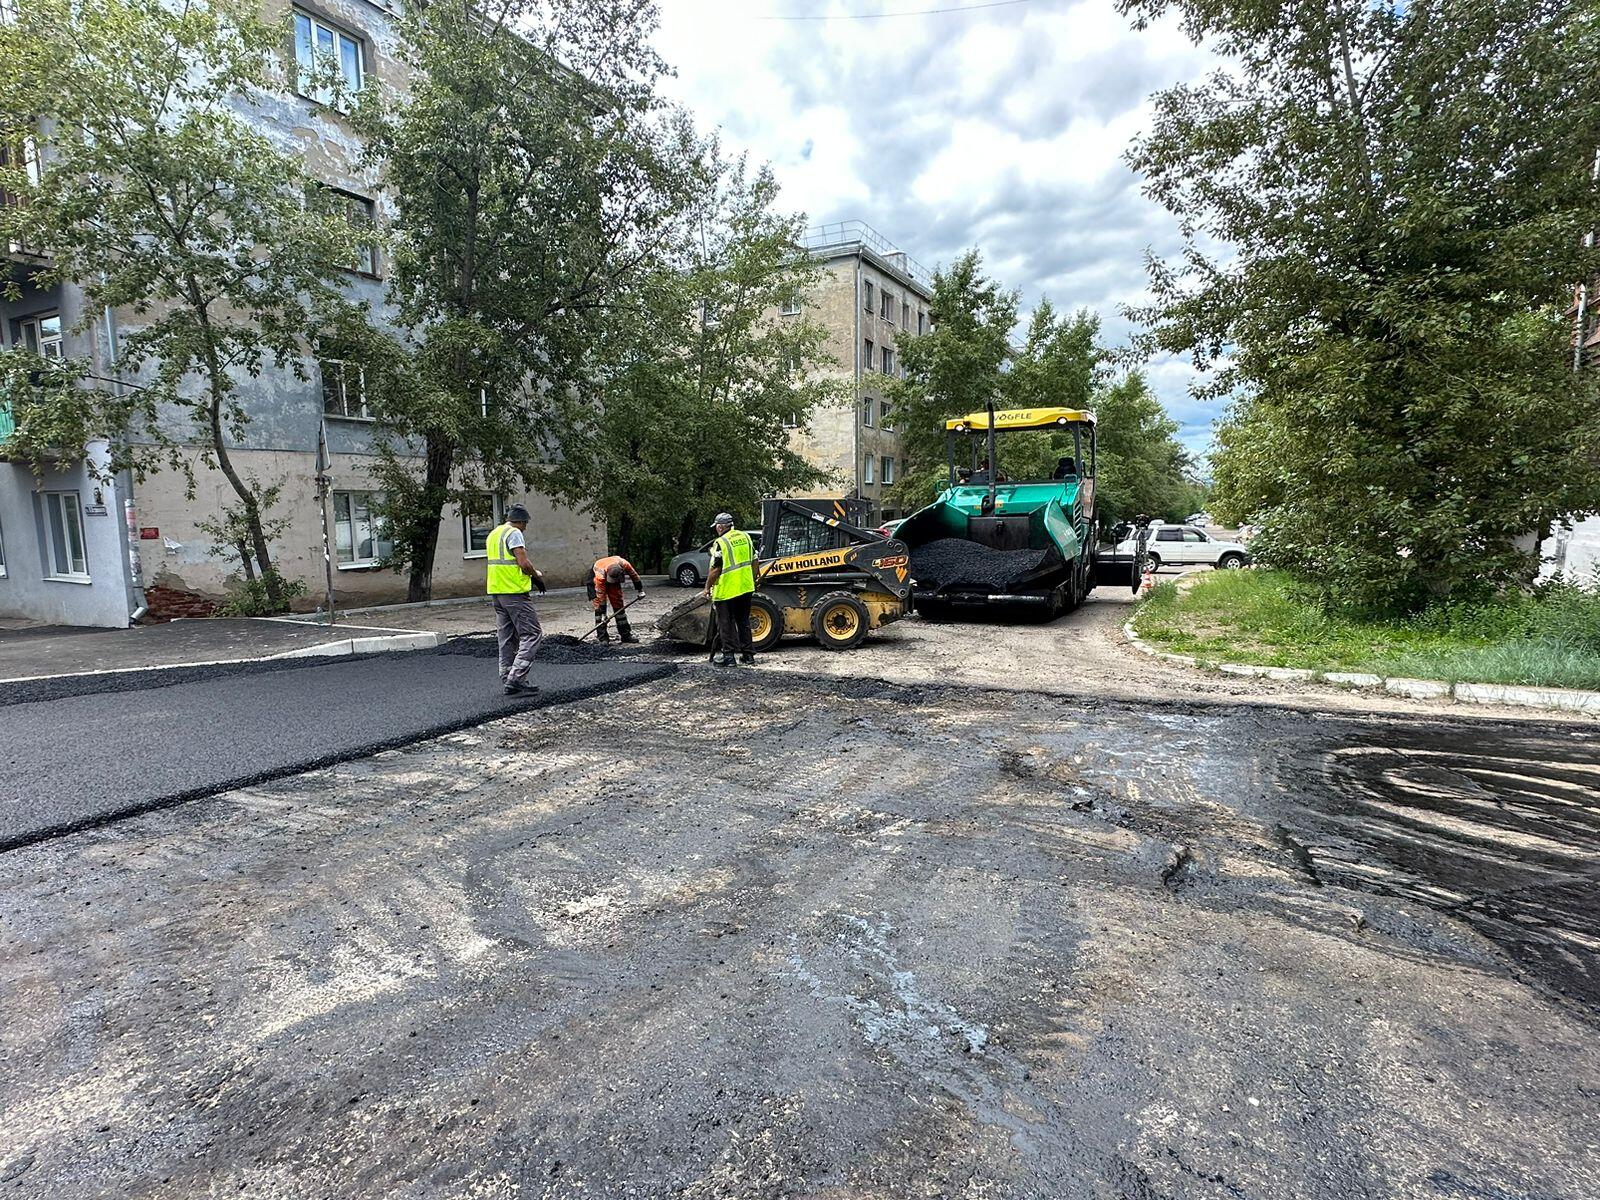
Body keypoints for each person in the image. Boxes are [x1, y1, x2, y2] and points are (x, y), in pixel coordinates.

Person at [485, 503, 546, 696]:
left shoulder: (494, 533)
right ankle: (517, 678)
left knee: (507, 636)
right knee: (532, 633)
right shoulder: (514, 533)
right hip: (514, 592)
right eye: (525, 524)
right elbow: (522, 562)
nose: (525, 528)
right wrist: (535, 576)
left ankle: (507, 675)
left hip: (497, 591)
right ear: (520, 521)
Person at [703, 511, 756, 666]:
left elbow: (715, 570)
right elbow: (755, 560)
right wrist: (753, 580)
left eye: (716, 527)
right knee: (743, 622)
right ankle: (748, 656)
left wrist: (707, 588)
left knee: (725, 624)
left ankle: (729, 657)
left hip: (727, 591)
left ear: (720, 527)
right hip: (745, 588)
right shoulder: (745, 537)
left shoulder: (721, 542)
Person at [589, 553, 644, 643]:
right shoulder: (600, 575)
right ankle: (603, 638)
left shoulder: (624, 564)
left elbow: (634, 575)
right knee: (599, 609)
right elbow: (600, 595)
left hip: (611, 573)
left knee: (618, 604)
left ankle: (626, 635)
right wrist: (603, 613)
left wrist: (640, 590)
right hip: (594, 579)